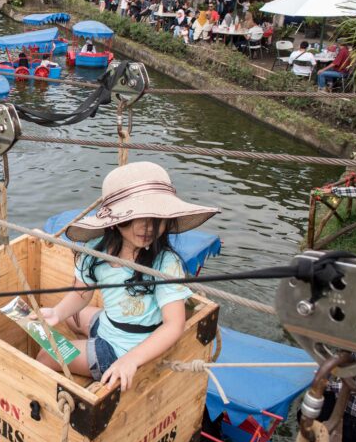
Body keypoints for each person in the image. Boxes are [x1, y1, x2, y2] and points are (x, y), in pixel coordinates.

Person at [36, 162, 219, 389]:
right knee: (74, 316)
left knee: (46, 355)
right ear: (114, 222)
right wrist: (57, 312)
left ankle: (96, 361)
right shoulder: (95, 251)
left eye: (156, 219)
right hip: (110, 324)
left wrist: (130, 360)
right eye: (134, 217)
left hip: (126, 349)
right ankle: (86, 346)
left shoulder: (165, 263)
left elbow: (174, 325)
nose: (147, 228)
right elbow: (81, 294)